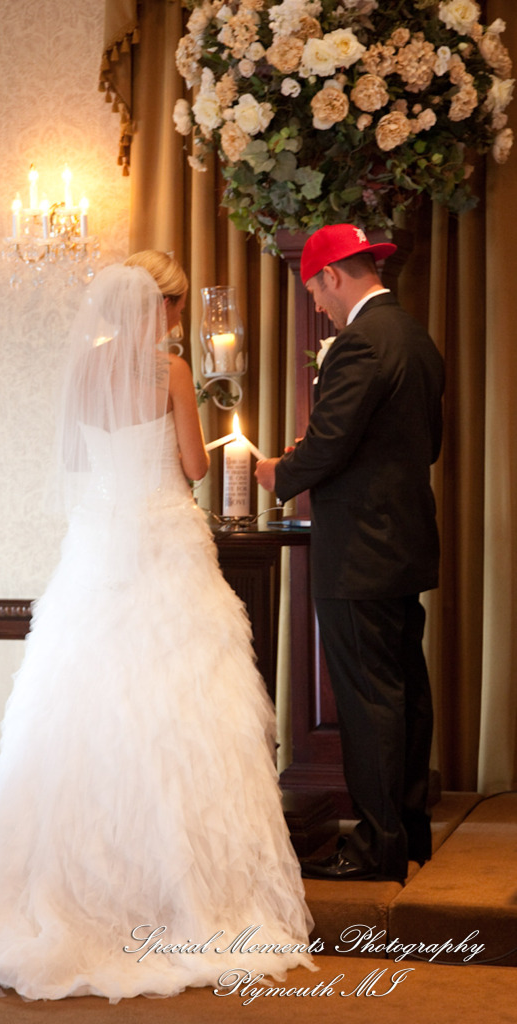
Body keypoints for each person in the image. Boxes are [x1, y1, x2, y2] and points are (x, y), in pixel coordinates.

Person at [0, 252, 315, 1002]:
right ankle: (186, 893)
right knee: (180, 711)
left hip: (97, 544)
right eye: (176, 309)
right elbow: (190, 463)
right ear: (166, 310)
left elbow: (71, 457)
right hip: (162, 541)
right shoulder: (170, 372)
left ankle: (77, 890)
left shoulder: (84, 371)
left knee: (89, 703)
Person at [256, 224, 445, 884]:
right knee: (403, 692)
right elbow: (429, 445)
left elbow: (329, 443)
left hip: (361, 551)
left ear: (334, 275)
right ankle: (410, 831)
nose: (316, 306)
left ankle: (376, 847)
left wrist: (277, 472)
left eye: (314, 291)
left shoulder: (361, 341)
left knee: (369, 699)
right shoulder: (415, 337)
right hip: (403, 545)